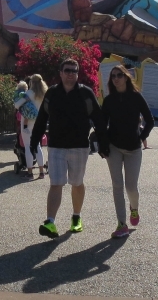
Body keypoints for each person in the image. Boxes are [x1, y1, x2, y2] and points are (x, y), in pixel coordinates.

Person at [30, 59, 104, 238]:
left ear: (77, 74)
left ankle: (76, 217)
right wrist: (34, 141)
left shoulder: (86, 94)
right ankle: (50, 222)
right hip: (56, 146)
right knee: (56, 183)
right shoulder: (52, 94)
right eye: (67, 70)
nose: (71, 73)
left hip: (79, 146)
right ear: (61, 73)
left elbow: (99, 119)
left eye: (74, 71)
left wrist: (104, 143)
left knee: (77, 183)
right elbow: (41, 119)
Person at [100, 65, 154, 239]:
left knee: (131, 187)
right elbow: (101, 125)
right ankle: (121, 224)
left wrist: (141, 137)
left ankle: (134, 208)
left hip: (133, 149)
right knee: (117, 185)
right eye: (113, 76)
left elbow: (150, 120)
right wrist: (103, 144)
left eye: (119, 75)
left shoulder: (136, 97)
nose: (116, 78)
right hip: (114, 147)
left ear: (126, 77)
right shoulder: (109, 100)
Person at [16, 75, 47, 178]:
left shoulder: (29, 93)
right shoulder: (44, 94)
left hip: (28, 122)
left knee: (28, 147)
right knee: (37, 146)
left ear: (31, 82)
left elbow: (17, 105)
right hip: (39, 122)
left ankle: (30, 173)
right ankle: (41, 172)